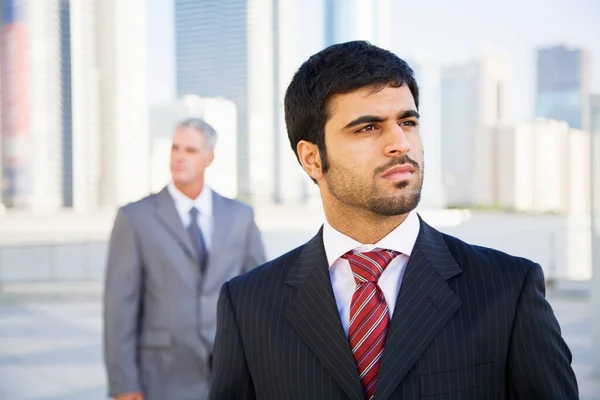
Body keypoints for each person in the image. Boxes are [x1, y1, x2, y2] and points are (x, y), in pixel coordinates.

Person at [210, 41, 578, 400]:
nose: (400, 143)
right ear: (311, 158)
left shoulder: (508, 290)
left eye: (407, 121)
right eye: (367, 127)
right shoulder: (247, 305)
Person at [104, 118, 266, 400]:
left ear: (209, 158)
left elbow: (260, 295)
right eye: (175, 148)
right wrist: (123, 382)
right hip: (162, 375)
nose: (179, 157)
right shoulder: (135, 218)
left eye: (190, 150)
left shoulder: (240, 215)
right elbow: (120, 307)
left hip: (231, 372)